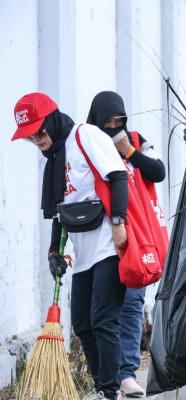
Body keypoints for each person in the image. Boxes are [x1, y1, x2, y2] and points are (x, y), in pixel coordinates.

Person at [11, 93, 128, 400]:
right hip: (83, 251)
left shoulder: (84, 136)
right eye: (29, 137)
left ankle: (109, 390)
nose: (36, 140)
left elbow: (117, 175)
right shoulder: (50, 162)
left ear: (51, 120)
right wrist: (53, 252)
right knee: (83, 324)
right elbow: (58, 212)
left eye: (39, 131)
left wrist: (118, 224)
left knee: (104, 319)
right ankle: (104, 387)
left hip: (107, 243)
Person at [87, 91, 166, 398]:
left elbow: (157, 172)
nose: (112, 126)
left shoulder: (134, 139)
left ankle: (127, 374)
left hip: (139, 234)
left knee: (133, 303)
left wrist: (130, 152)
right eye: (106, 121)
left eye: (117, 120)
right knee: (105, 310)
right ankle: (106, 377)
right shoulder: (90, 141)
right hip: (104, 238)